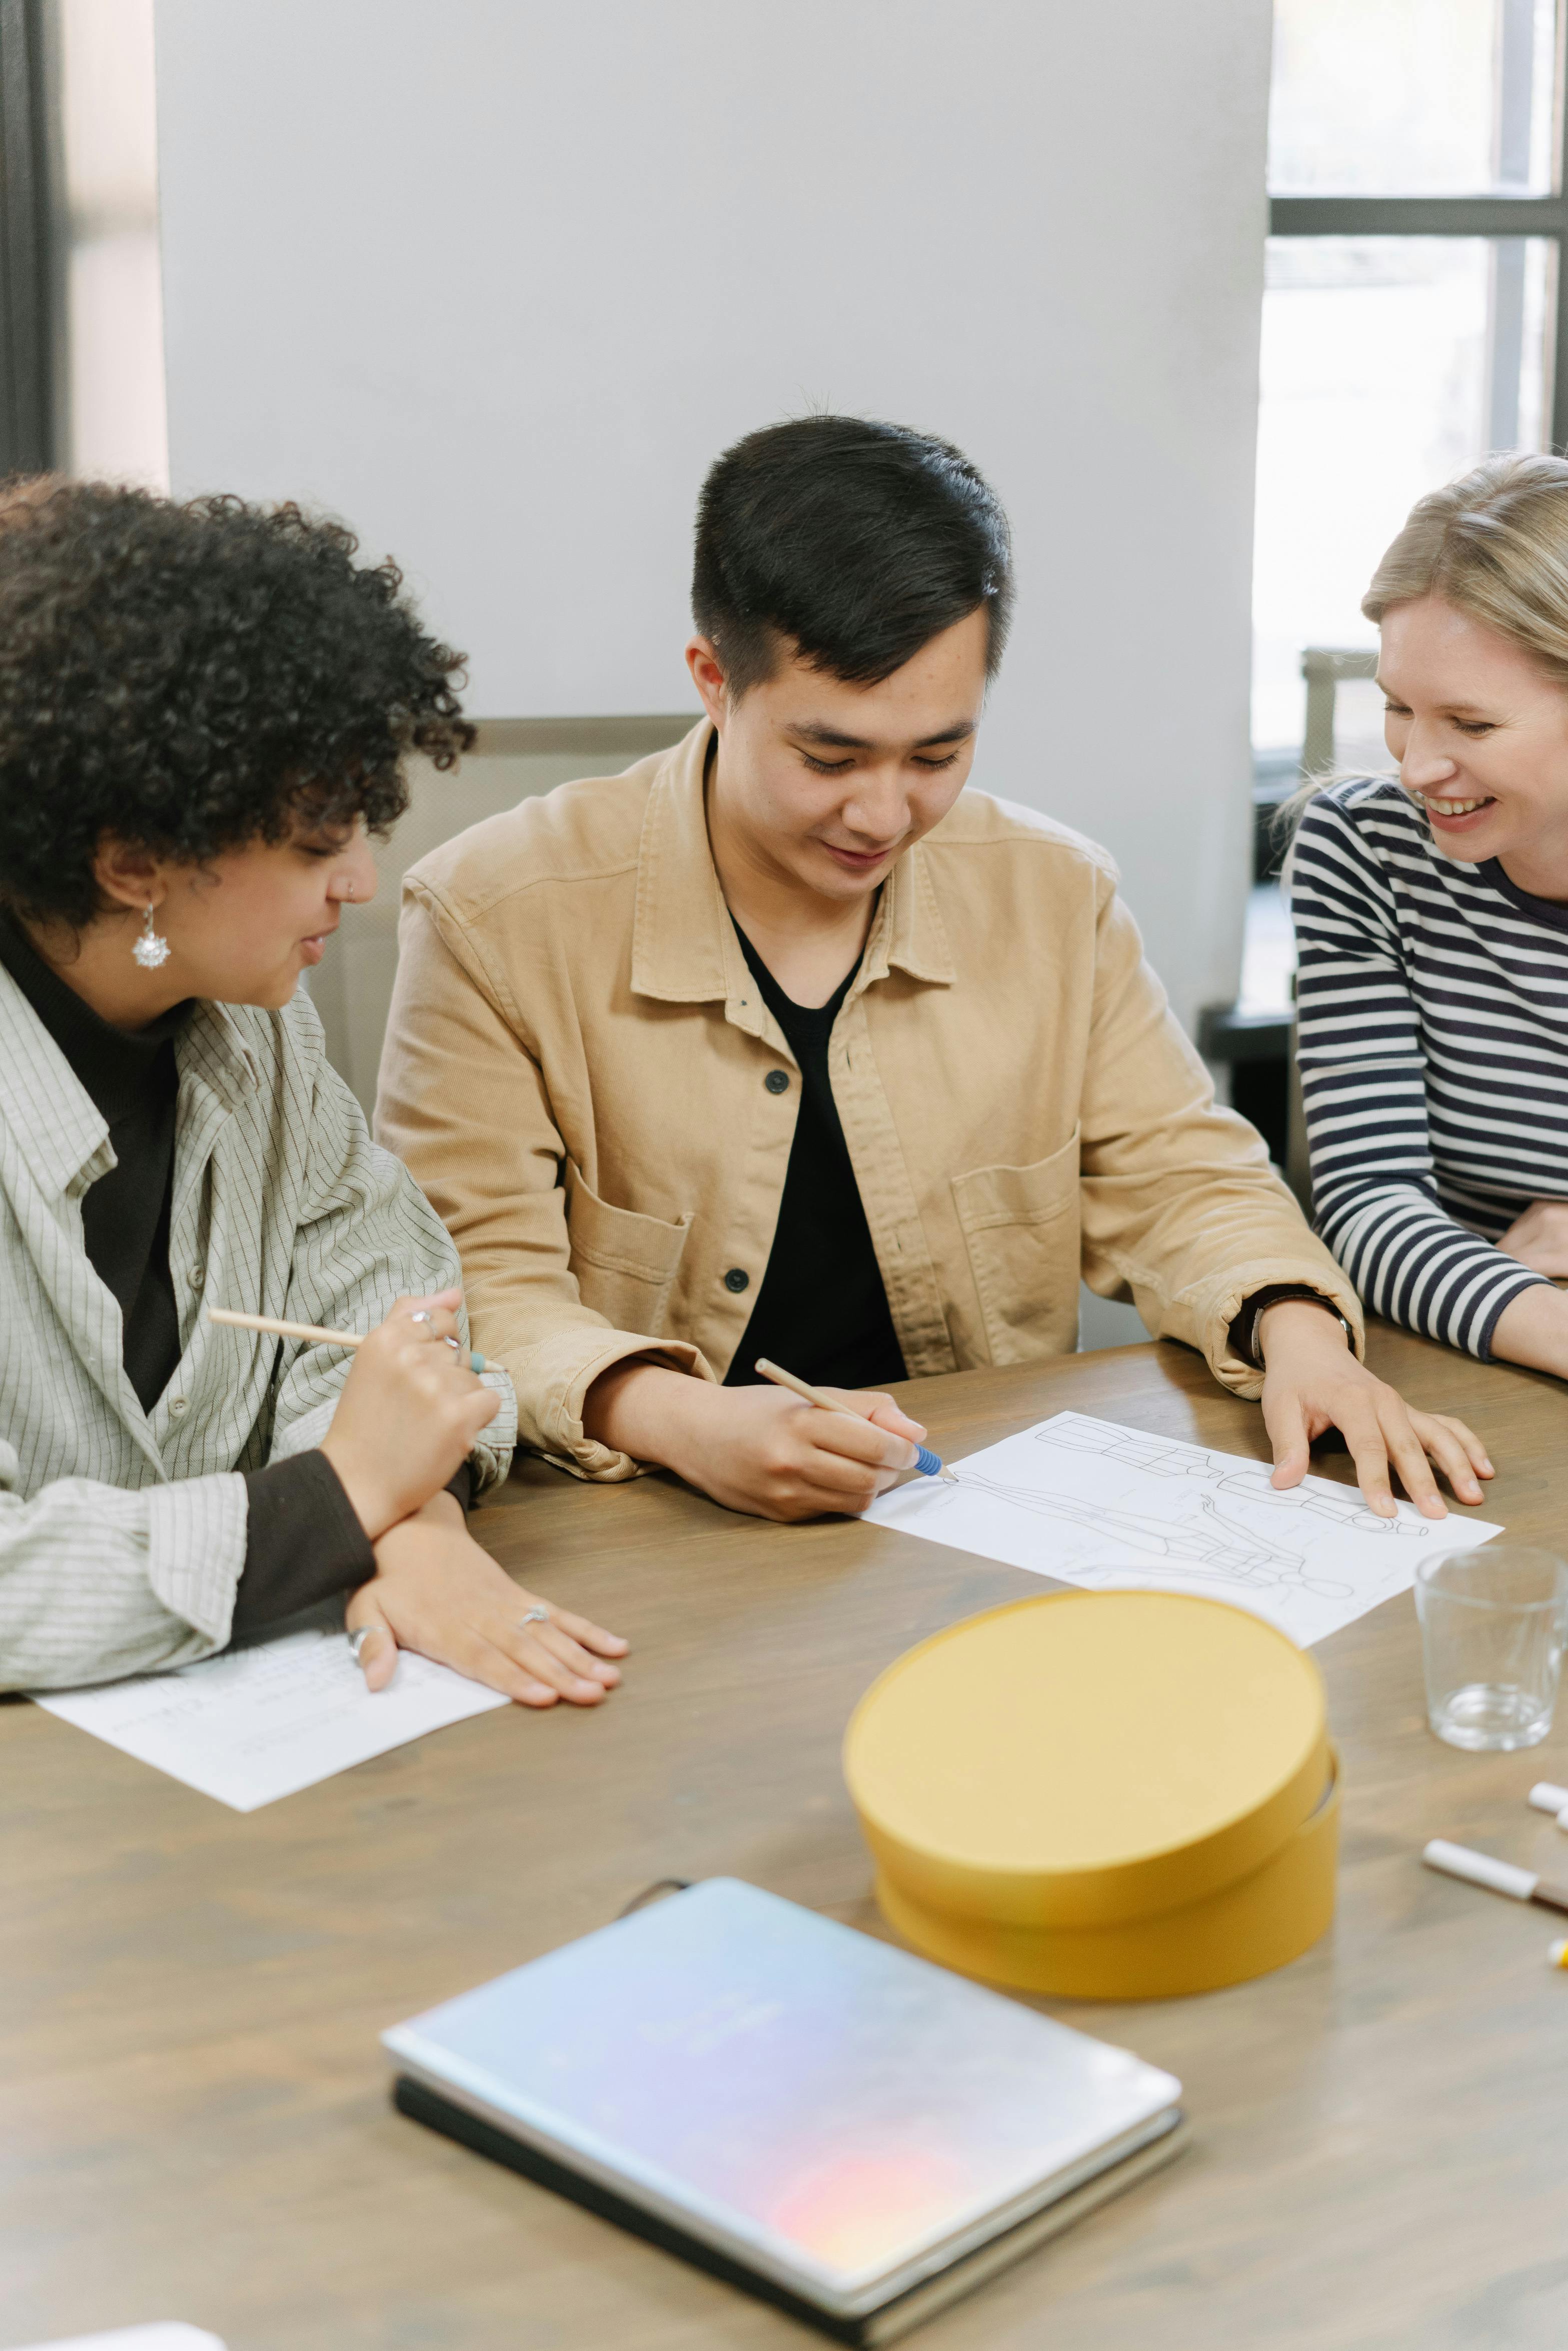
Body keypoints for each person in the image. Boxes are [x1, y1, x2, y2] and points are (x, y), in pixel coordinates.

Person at [376, 415, 1488, 1524]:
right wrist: (679, 1417)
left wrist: (1300, 1337)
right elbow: (475, 1291)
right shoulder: (491, 914)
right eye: (829, 756)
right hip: (644, 1519)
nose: (880, 813)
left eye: (937, 755)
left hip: (968, 1506)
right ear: (713, 681)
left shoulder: (1052, 894)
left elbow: (1180, 1180)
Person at [0, 478, 626, 1705]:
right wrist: (334, 1503)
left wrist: (419, 1531)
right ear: (133, 860)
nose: (364, 880)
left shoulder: (255, 1032)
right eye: (315, 842)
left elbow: (400, 1312)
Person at [1291, 451, 1568, 1382]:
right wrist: (1523, 1302)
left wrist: (1478, 1279)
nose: (1415, 768)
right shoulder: (1365, 848)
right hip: (1487, 1367)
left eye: (1472, 725)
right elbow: (1368, 1207)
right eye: (1399, 708)